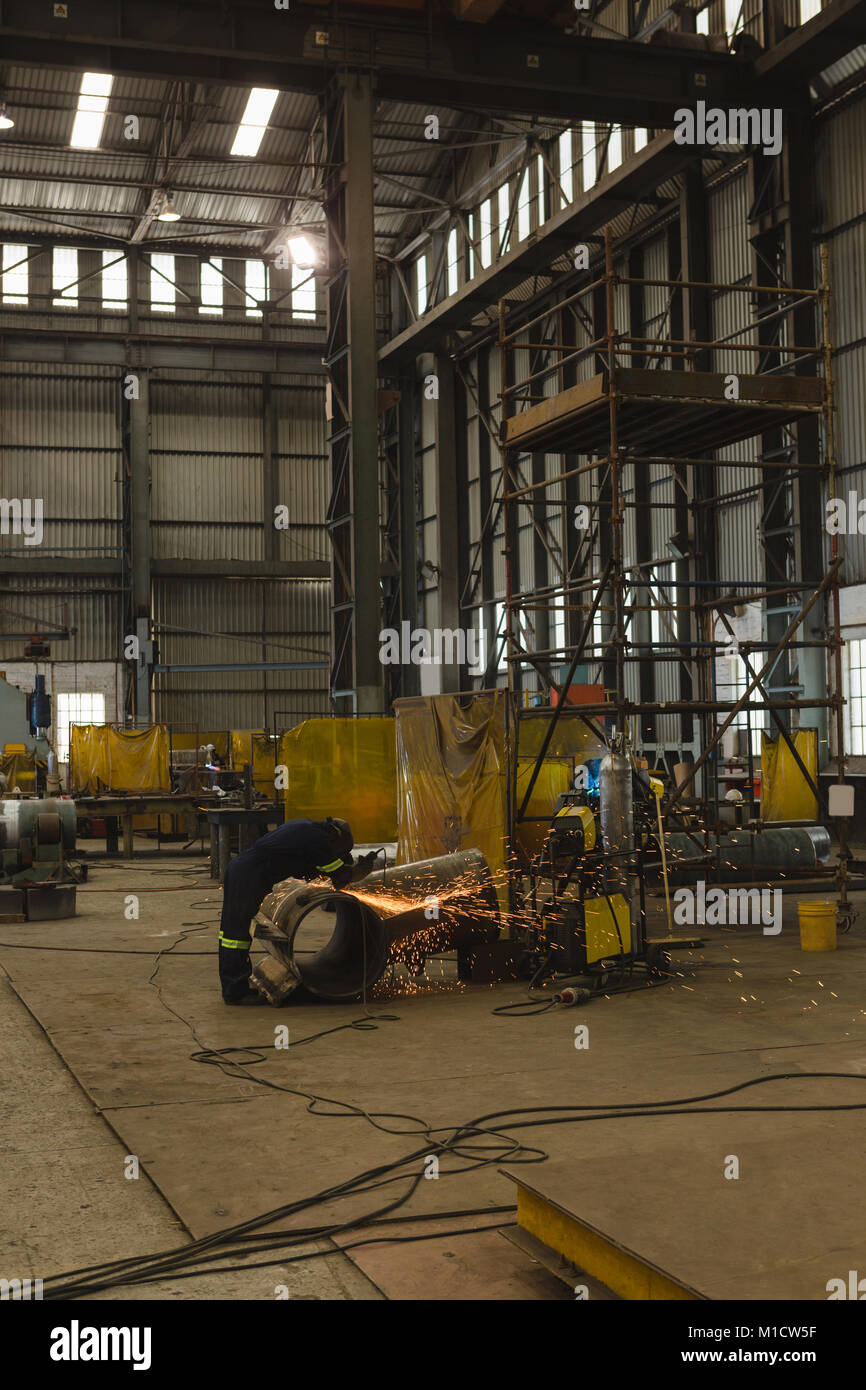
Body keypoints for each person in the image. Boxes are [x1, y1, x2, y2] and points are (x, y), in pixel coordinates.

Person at [218, 816, 376, 1004]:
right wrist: (358, 870)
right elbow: (339, 874)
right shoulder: (318, 839)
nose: (335, 853)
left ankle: (235, 986)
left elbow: (305, 867)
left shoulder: (305, 827)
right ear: (335, 835)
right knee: (235, 937)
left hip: (244, 870)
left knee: (233, 931)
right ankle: (235, 992)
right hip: (248, 876)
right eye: (338, 849)